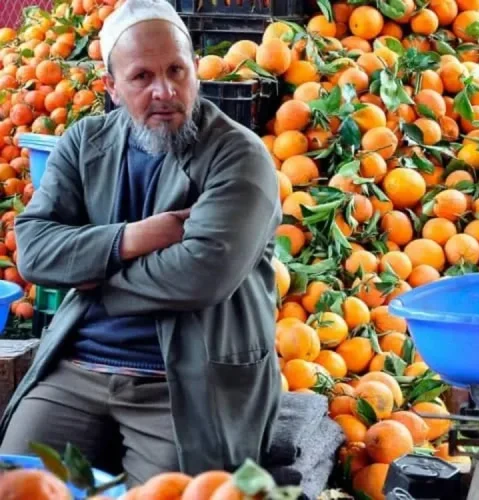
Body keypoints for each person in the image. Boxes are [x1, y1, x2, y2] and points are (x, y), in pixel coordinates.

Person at [0, 0, 282, 486]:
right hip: (77, 367)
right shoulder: (84, 142)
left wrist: (92, 275)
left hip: (182, 382)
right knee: (14, 482)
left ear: (195, 71)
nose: (164, 91)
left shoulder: (239, 156)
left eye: (176, 70)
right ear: (111, 87)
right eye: (141, 77)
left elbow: (201, 275)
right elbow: (34, 250)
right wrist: (133, 237)